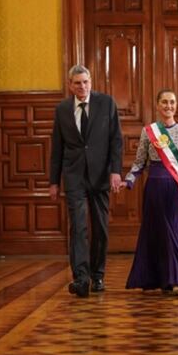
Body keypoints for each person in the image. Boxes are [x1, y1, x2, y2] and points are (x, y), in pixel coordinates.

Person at [49, 65, 123, 298]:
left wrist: (115, 171)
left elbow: (116, 140)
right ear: (70, 85)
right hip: (74, 176)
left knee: (100, 227)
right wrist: (54, 181)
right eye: (77, 83)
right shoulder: (62, 109)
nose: (82, 86)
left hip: (101, 175)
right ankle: (81, 278)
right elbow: (57, 148)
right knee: (78, 227)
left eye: (85, 82)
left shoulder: (106, 103)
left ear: (91, 82)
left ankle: (97, 275)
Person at [124, 90, 178, 295]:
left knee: (176, 233)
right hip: (155, 189)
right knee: (158, 233)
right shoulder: (148, 131)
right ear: (157, 105)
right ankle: (159, 279)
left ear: (176, 105)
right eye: (164, 102)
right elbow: (140, 162)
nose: (169, 106)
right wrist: (129, 180)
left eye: (172, 102)